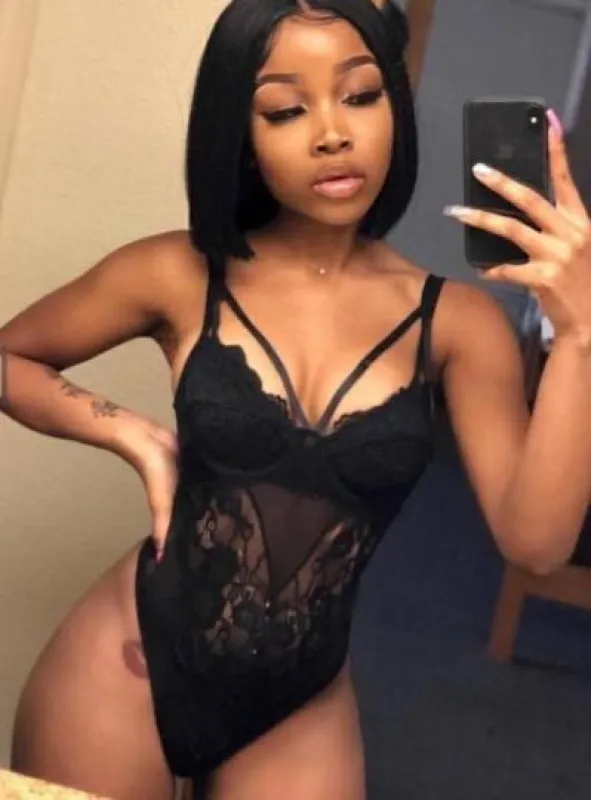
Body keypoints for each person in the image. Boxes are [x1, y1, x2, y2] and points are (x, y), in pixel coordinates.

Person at [2, 0, 591, 798]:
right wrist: (132, 436)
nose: (332, 133)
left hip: (297, 708)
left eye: (360, 95)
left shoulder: (457, 324)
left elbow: (536, 544)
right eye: (285, 109)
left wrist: (578, 333)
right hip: (123, 673)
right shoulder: (177, 273)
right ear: (240, 136)